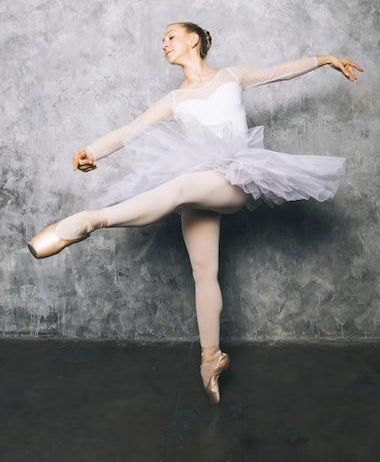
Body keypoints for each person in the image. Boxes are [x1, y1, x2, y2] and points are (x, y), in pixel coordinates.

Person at [28, 22, 363, 404]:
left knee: (180, 187)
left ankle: (91, 220)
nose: (164, 44)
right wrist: (90, 151)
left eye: (170, 36)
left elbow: (280, 71)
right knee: (204, 272)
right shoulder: (173, 99)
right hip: (194, 183)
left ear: (193, 40)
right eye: (162, 40)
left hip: (233, 179)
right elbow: (129, 131)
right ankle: (210, 359)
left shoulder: (232, 77)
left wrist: (326, 60)